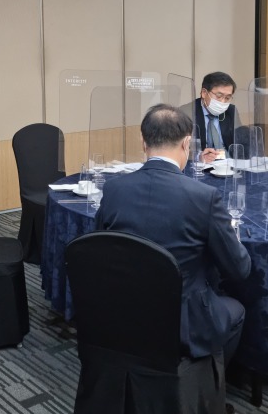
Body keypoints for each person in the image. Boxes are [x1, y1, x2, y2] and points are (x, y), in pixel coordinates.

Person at [94, 104, 251, 363]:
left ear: (143, 142)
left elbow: (100, 249)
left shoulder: (114, 189)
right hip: (183, 318)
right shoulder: (204, 197)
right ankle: (204, 378)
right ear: (187, 143)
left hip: (123, 306)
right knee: (237, 310)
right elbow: (240, 269)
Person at [193, 71, 239, 164]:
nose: (223, 102)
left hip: (228, 164)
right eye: (219, 96)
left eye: (227, 98)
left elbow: (239, 142)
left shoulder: (231, 111)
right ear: (204, 93)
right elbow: (179, 148)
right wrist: (198, 156)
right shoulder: (188, 111)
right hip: (201, 166)